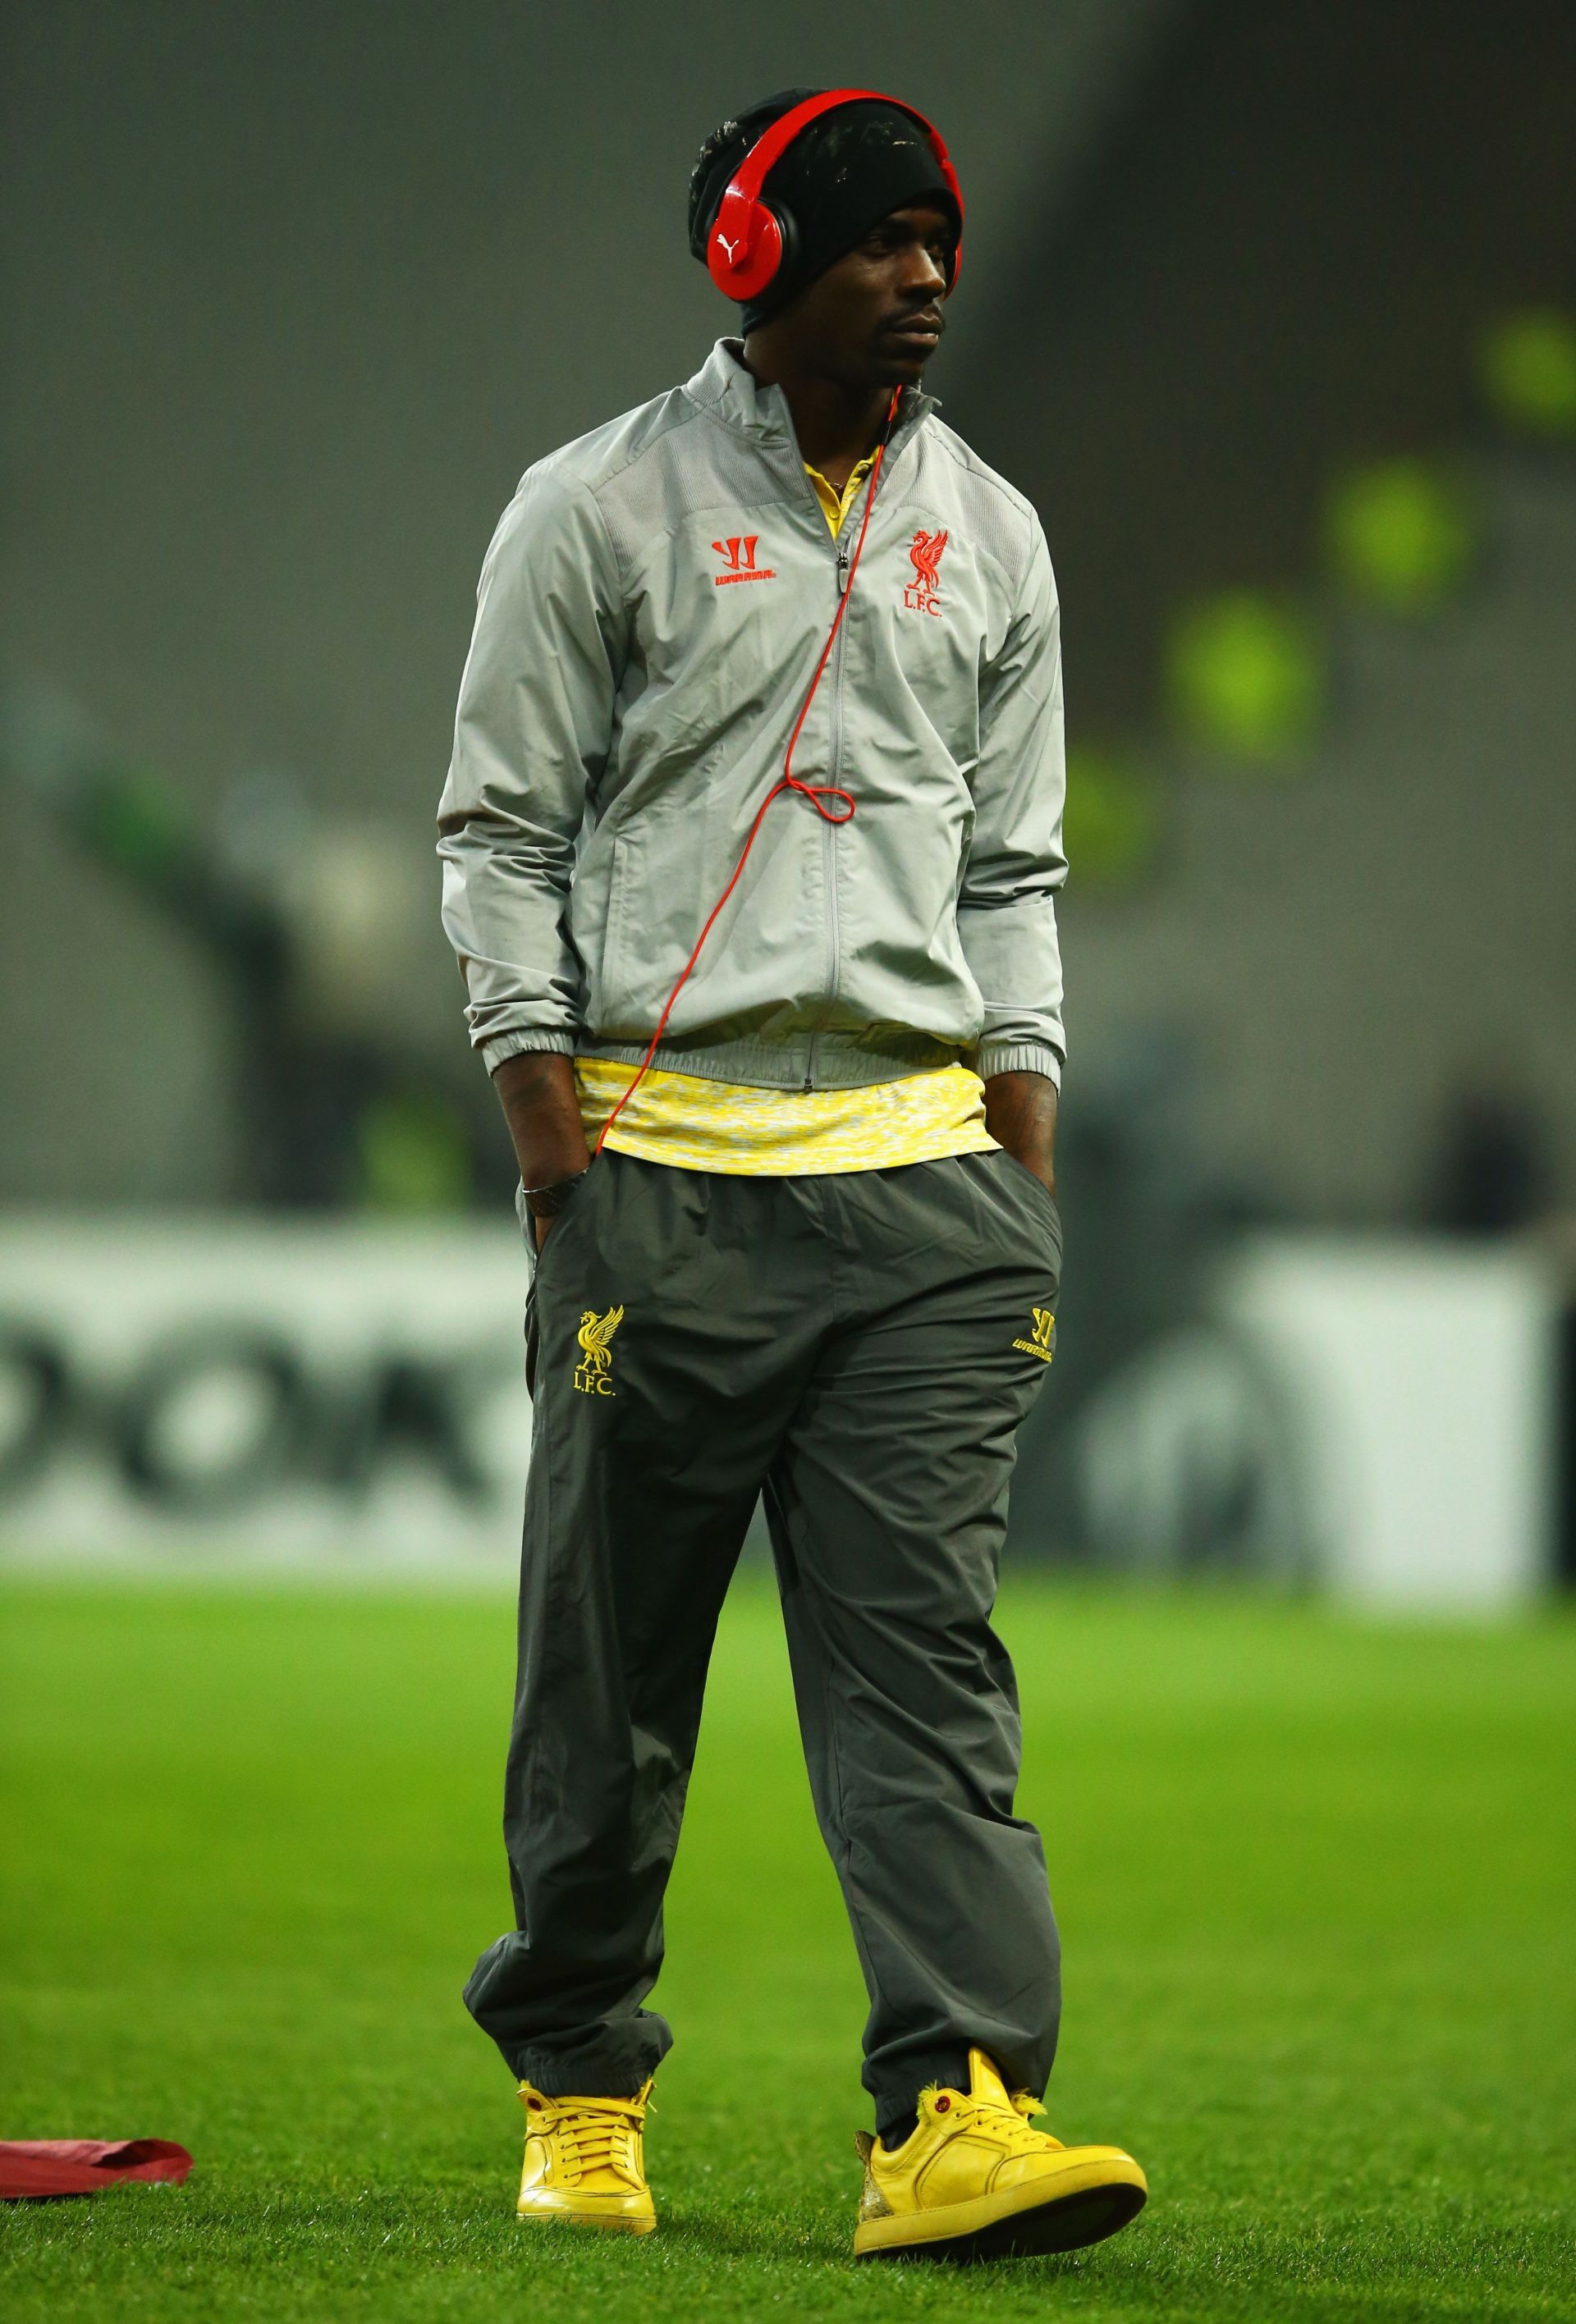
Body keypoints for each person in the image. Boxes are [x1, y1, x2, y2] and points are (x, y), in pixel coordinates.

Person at [436, 85, 1146, 2265]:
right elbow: (499, 838)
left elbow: (1018, 862)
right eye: (875, 242)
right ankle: (579, 2084)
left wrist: (1018, 1131)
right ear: (754, 264)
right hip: (663, 1168)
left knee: (927, 1666)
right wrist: (556, 1145)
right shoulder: (598, 511)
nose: (926, 275)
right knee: (612, 1672)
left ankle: (951, 2109)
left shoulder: (996, 534)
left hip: (926, 1195)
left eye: (937, 240)